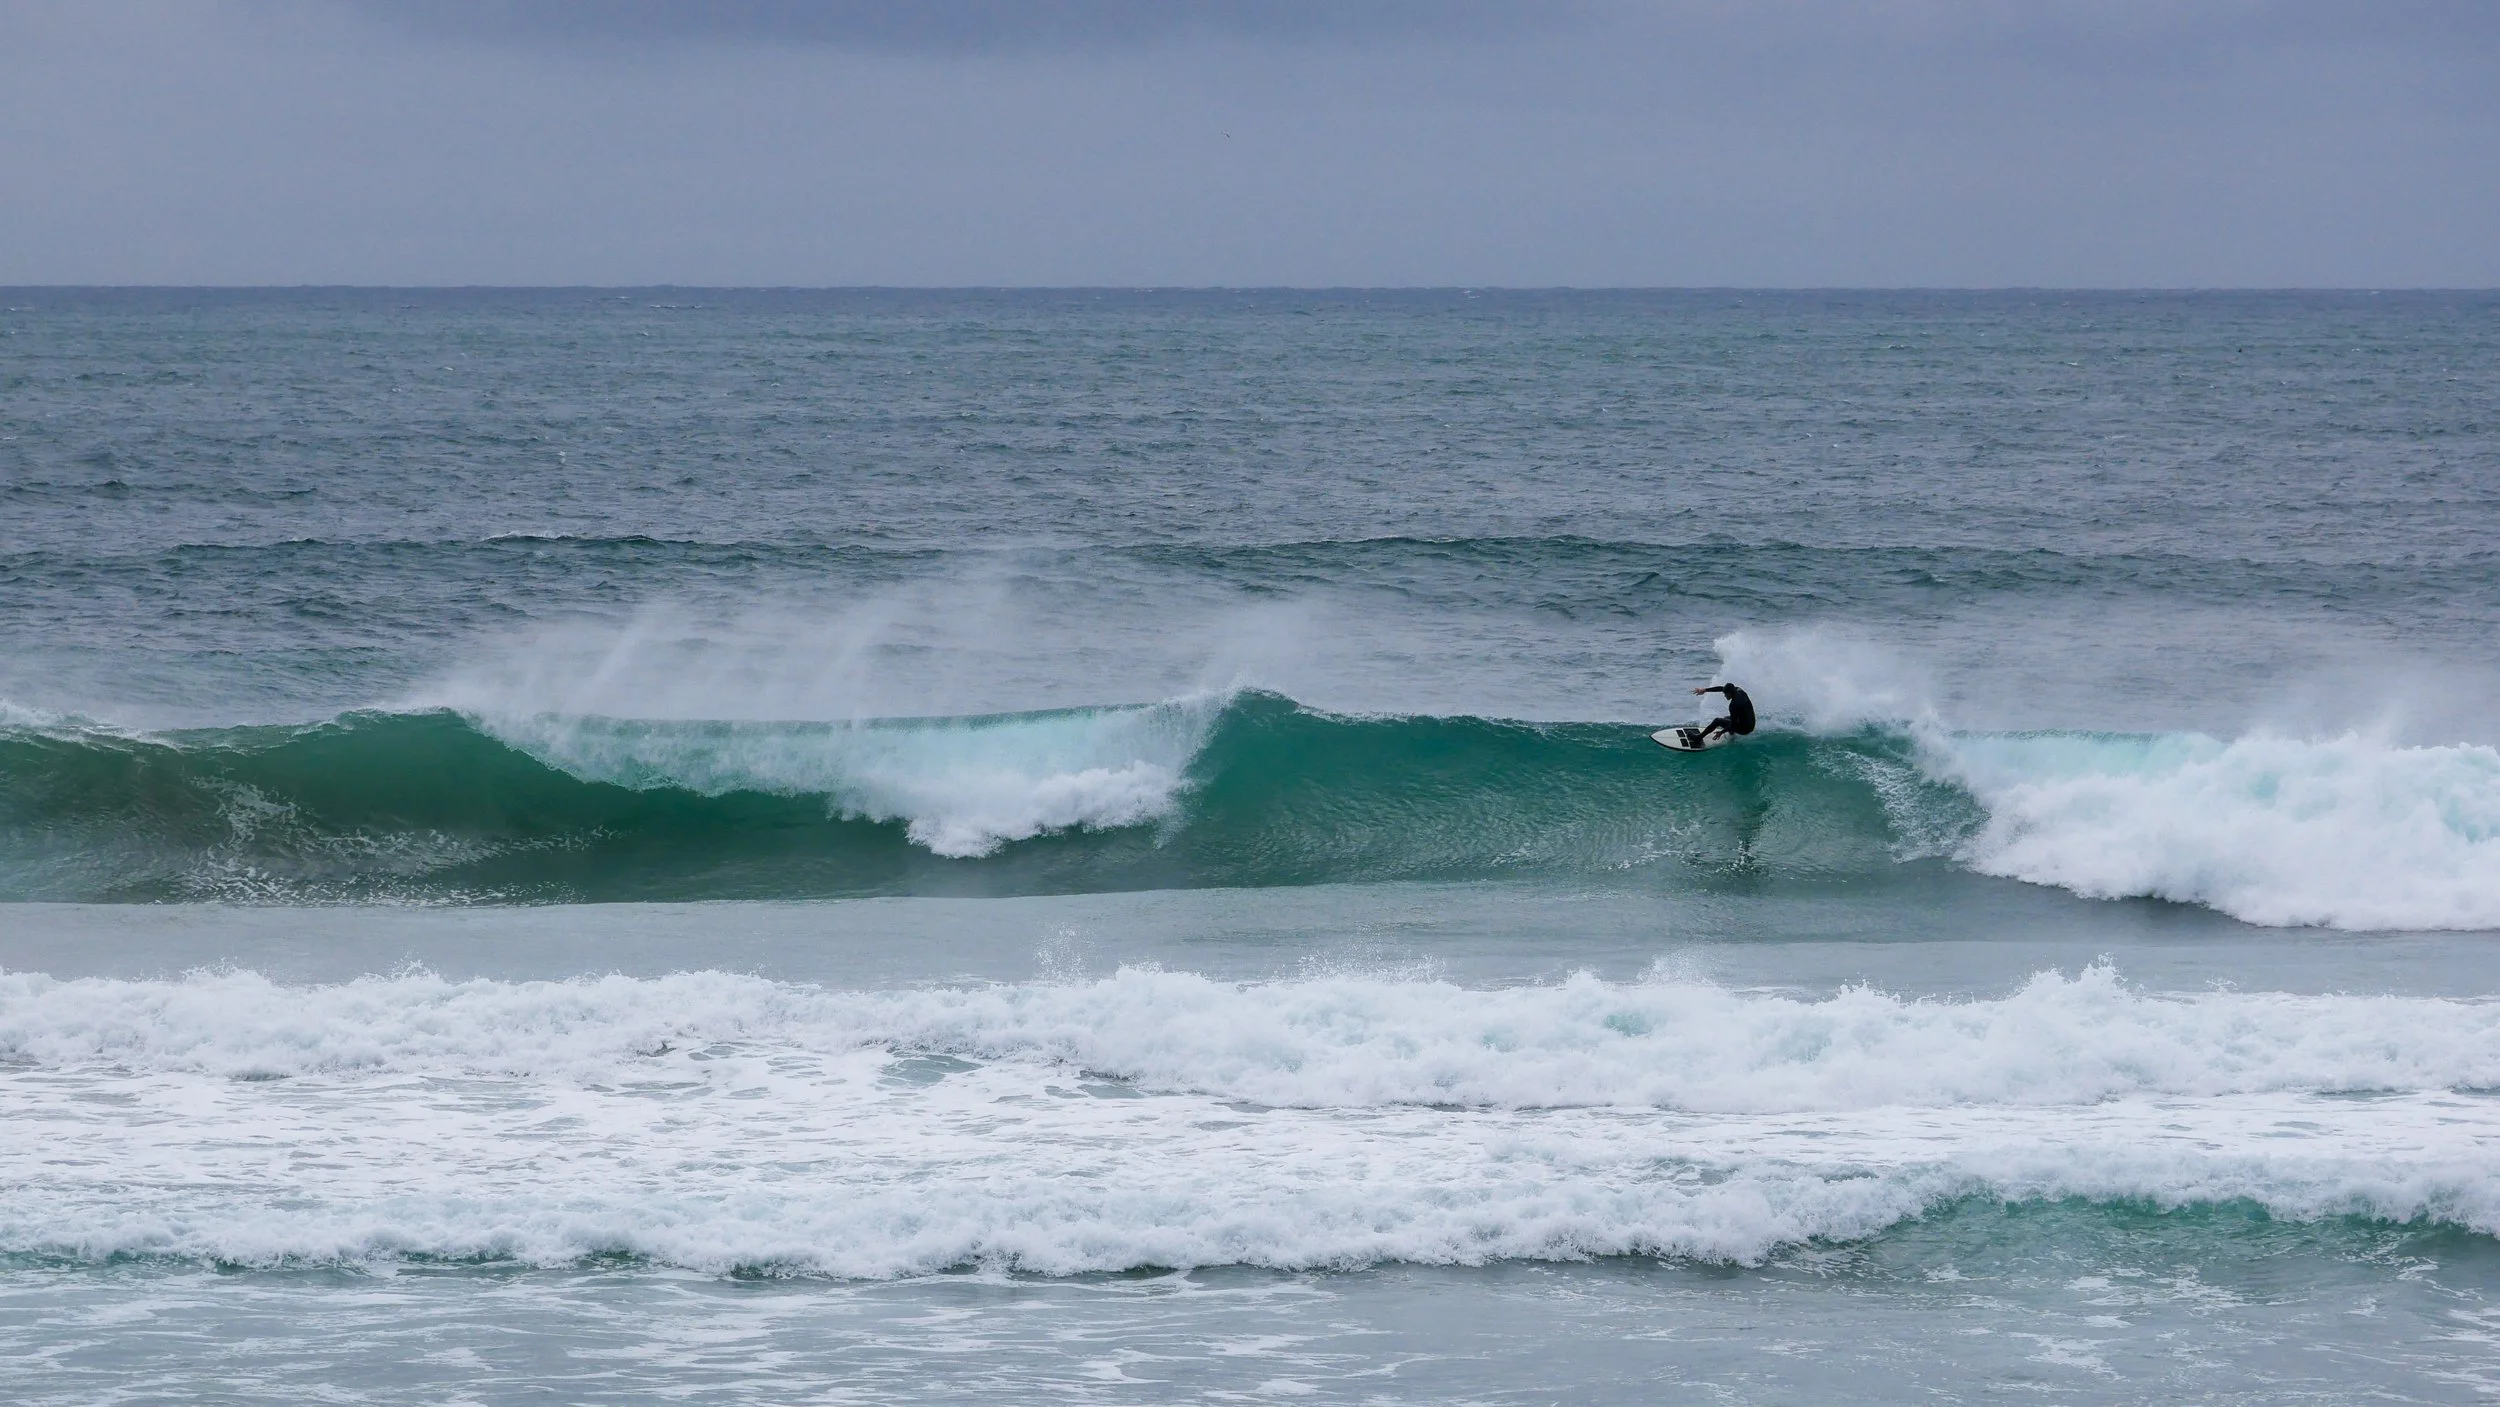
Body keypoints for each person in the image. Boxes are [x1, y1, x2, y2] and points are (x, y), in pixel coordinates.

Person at [1689, 681, 1755, 744]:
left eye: (1725, 694)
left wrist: (1721, 732)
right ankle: (1732, 736)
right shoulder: (1739, 690)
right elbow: (1721, 688)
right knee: (1726, 718)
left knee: (1717, 721)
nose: (1724, 696)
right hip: (1751, 723)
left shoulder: (1734, 705)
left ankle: (1698, 738)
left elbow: (1733, 724)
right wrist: (1705, 690)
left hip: (1745, 729)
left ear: (1730, 693)